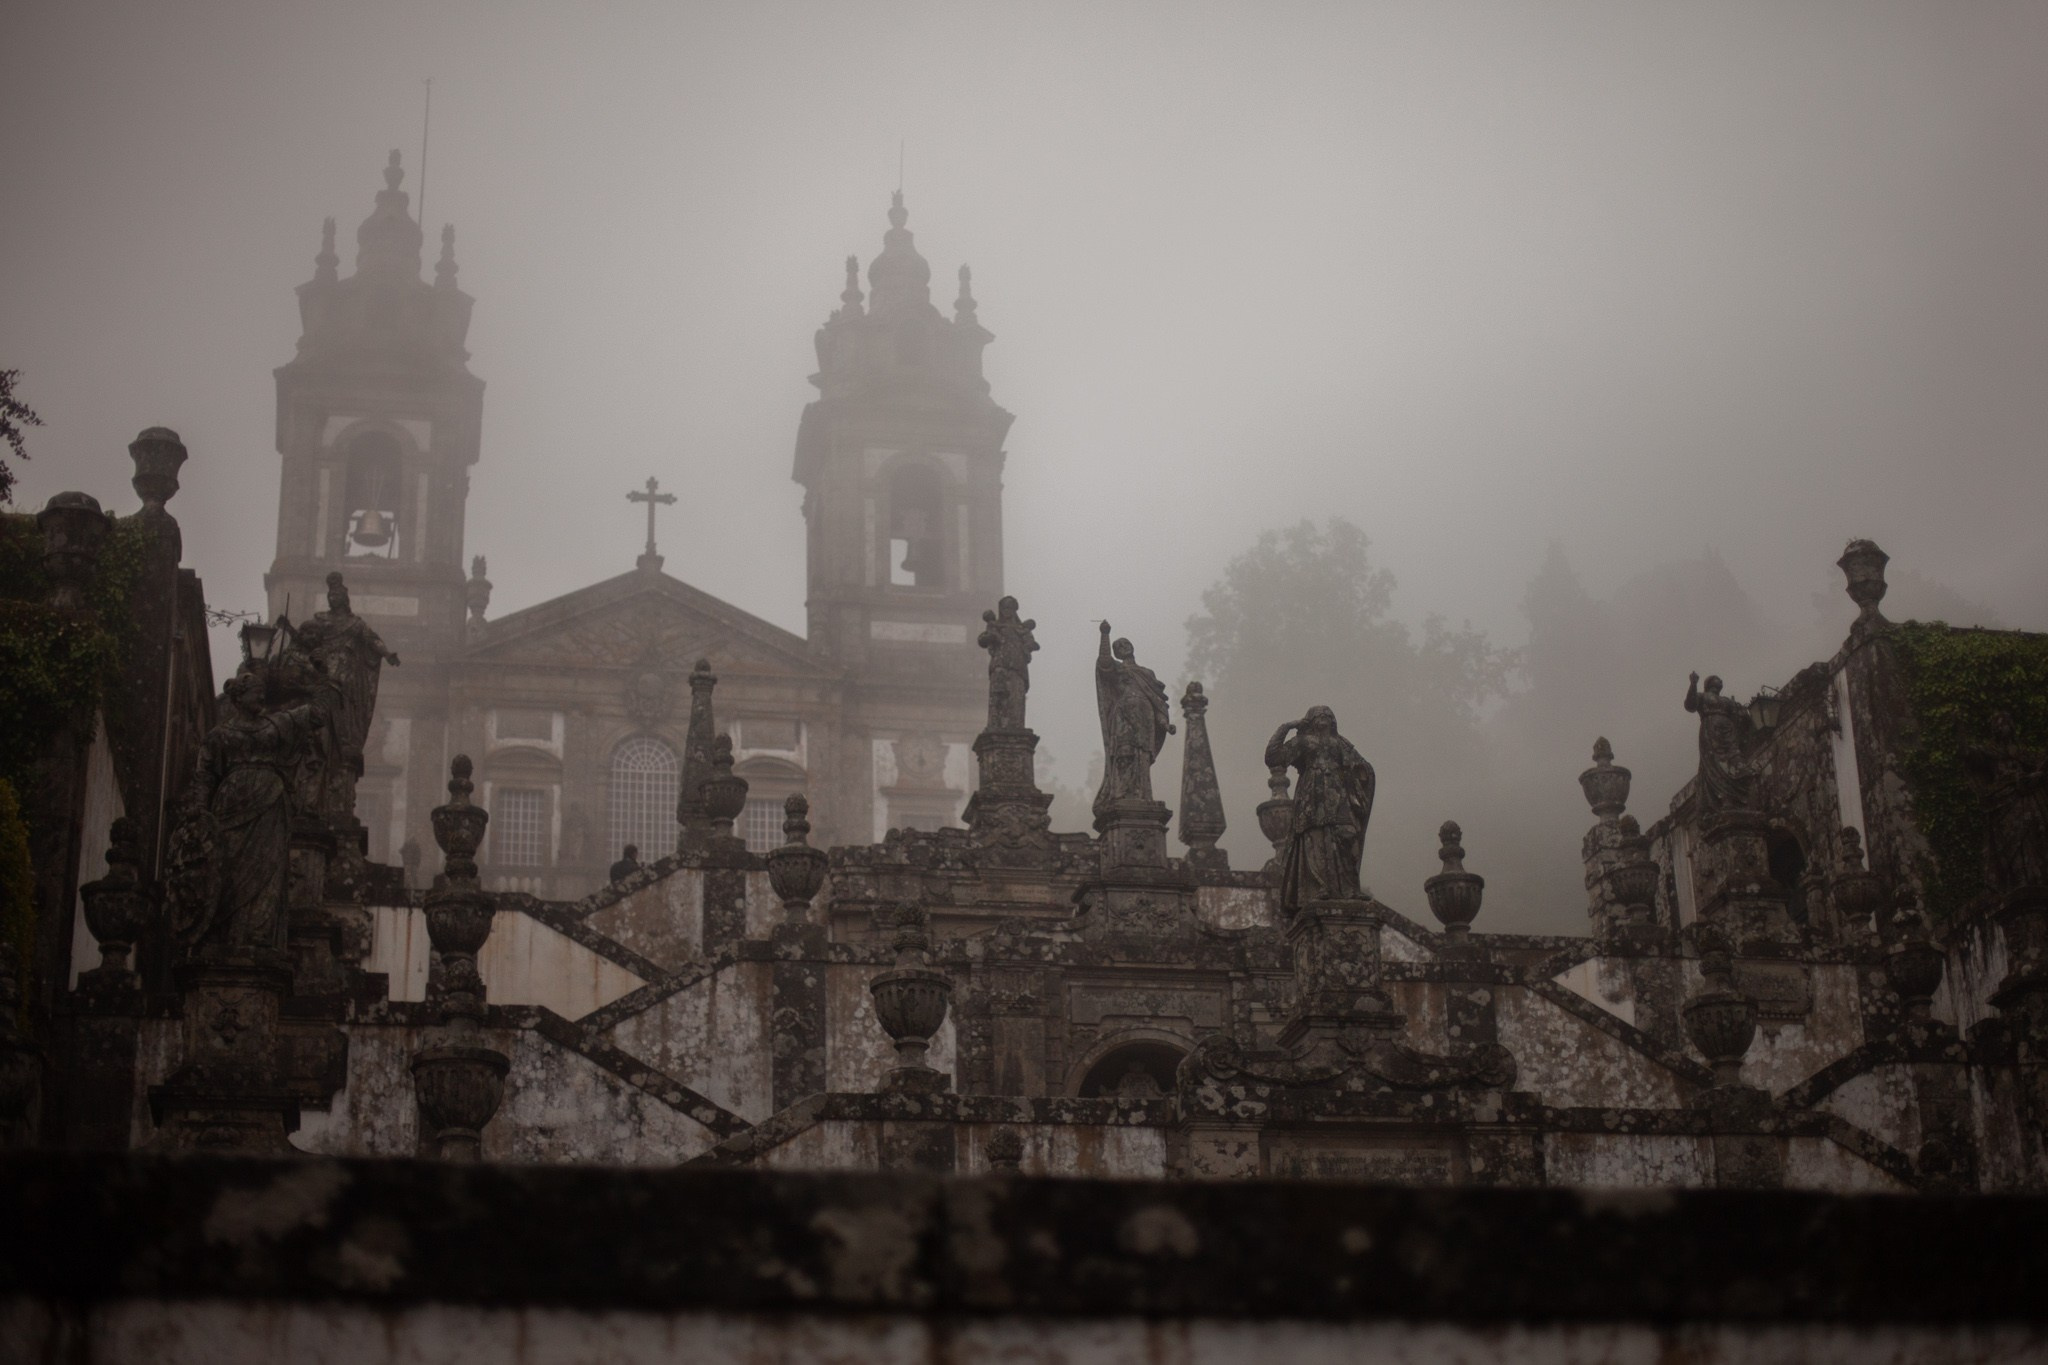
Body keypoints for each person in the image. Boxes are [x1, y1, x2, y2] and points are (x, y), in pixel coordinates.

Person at [171, 671, 327, 955]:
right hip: (229, 810)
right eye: (256, 691)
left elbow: (317, 714)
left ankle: (258, 935)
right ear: (239, 697)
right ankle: (223, 935)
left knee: (268, 871)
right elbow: (204, 775)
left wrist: (318, 680)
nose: (262, 696)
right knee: (226, 870)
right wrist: (199, 813)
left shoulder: (277, 725)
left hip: (270, 807)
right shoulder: (219, 736)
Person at [1264, 706, 1375, 911]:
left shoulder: (1340, 744)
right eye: (1318, 715)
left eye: (1328, 715)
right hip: (1311, 799)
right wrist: (1287, 727)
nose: (1323, 718)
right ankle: (1319, 887)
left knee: (1347, 837)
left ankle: (1349, 888)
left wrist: (1362, 775)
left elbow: (1362, 768)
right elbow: (1273, 758)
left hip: (1338, 798)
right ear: (1310, 721)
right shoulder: (1304, 742)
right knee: (1314, 841)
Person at [1093, 621, 1174, 815]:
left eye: (1125, 643)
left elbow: (1157, 701)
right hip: (1122, 717)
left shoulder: (1147, 673)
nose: (1123, 646)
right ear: (1117, 653)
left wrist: (1165, 723)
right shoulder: (1117, 669)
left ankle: (1142, 794)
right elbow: (1104, 662)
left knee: (1142, 755)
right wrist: (1105, 635)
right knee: (1124, 753)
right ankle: (1121, 793)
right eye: (1118, 646)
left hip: (1145, 718)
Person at [1684, 672, 1754, 815]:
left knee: (1734, 758)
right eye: (1716, 680)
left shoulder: (1726, 700)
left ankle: (1739, 795)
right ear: (1709, 683)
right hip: (1711, 732)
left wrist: (1742, 716)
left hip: (1729, 732)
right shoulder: (1702, 696)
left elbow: (1738, 718)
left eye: (1720, 680)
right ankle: (1725, 797)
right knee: (1716, 762)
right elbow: (1690, 705)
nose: (1719, 681)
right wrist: (1693, 684)